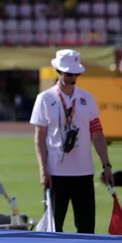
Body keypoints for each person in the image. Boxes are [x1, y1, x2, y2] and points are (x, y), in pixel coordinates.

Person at [30, 49, 115, 233]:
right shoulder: (44, 99)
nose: (73, 77)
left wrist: (106, 165)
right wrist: (43, 169)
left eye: (76, 73)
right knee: (53, 230)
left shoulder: (87, 98)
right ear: (58, 71)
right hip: (55, 175)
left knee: (86, 230)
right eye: (69, 73)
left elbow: (98, 134)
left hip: (84, 174)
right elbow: (40, 137)